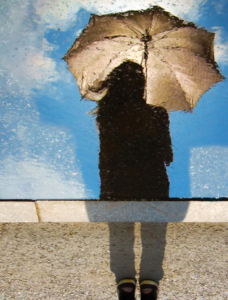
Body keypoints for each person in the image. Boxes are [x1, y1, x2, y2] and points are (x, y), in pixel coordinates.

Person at [95, 61, 173, 300]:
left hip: (117, 182)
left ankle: (125, 284)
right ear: (141, 85)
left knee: (120, 234)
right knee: (154, 235)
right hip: (152, 180)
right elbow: (168, 156)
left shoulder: (107, 114)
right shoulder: (157, 112)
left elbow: (105, 154)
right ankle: (149, 284)